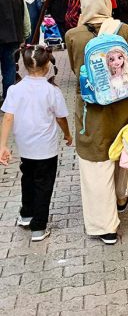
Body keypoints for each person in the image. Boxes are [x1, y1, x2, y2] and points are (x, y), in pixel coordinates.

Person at [66, 0, 128, 245]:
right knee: (123, 150)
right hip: (125, 105)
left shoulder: (72, 35)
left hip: (93, 110)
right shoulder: (123, 29)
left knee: (96, 162)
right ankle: (121, 197)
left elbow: (75, 70)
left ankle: (105, 226)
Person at [0, 45, 72, 242]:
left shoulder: (14, 89)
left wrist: (3, 145)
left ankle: (26, 214)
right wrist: (68, 135)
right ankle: (38, 226)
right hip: (46, 149)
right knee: (43, 185)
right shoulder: (52, 91)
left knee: (28, 179)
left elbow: (7, 117)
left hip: (25, 146)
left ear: (23, 64)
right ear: (47, 64)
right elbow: (61, 118)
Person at [0, 0, 29, 99]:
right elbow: (25, 17)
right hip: (12, 37)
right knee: (9, 69)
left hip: (9, 37)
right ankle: (8, 99)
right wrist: (25, 35)